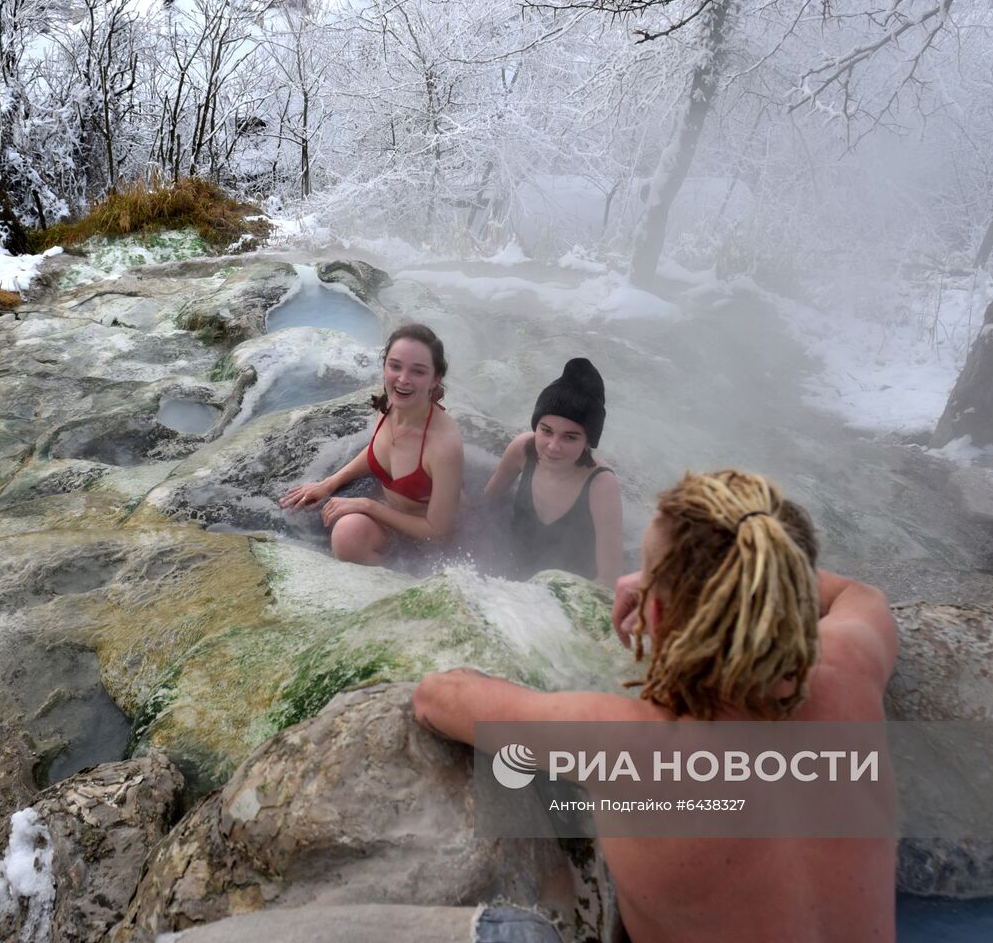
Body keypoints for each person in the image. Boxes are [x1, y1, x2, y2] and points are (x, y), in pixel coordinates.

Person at [413, 470, 898, 943]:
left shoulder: (629, 745)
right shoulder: (848, 676)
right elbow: (859, 595)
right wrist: (759, 579)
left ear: (657, 613)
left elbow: (437, 697)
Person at [281, 323, 464, 566]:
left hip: (432, 540)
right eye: (395, 366)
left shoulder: (443, 445)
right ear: (384, 365)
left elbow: (438, 533)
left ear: (435, 379)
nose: (403, 379)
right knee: (347, 534)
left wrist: (368, 506)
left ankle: (398, 585)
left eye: (418, 371)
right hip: (393, 519)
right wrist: (328, 483)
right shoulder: (388, 405)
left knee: (348, 534)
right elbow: (378, 451)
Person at [483, 358, 622, 585]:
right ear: (536, 426)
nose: (553, 446)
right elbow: (487, 504)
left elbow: (608, 578)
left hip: (569, 588)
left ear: (588, 442)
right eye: (546, 431)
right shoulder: (523, 449)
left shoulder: (601, 484)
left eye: (570, 437)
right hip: (510, 571)